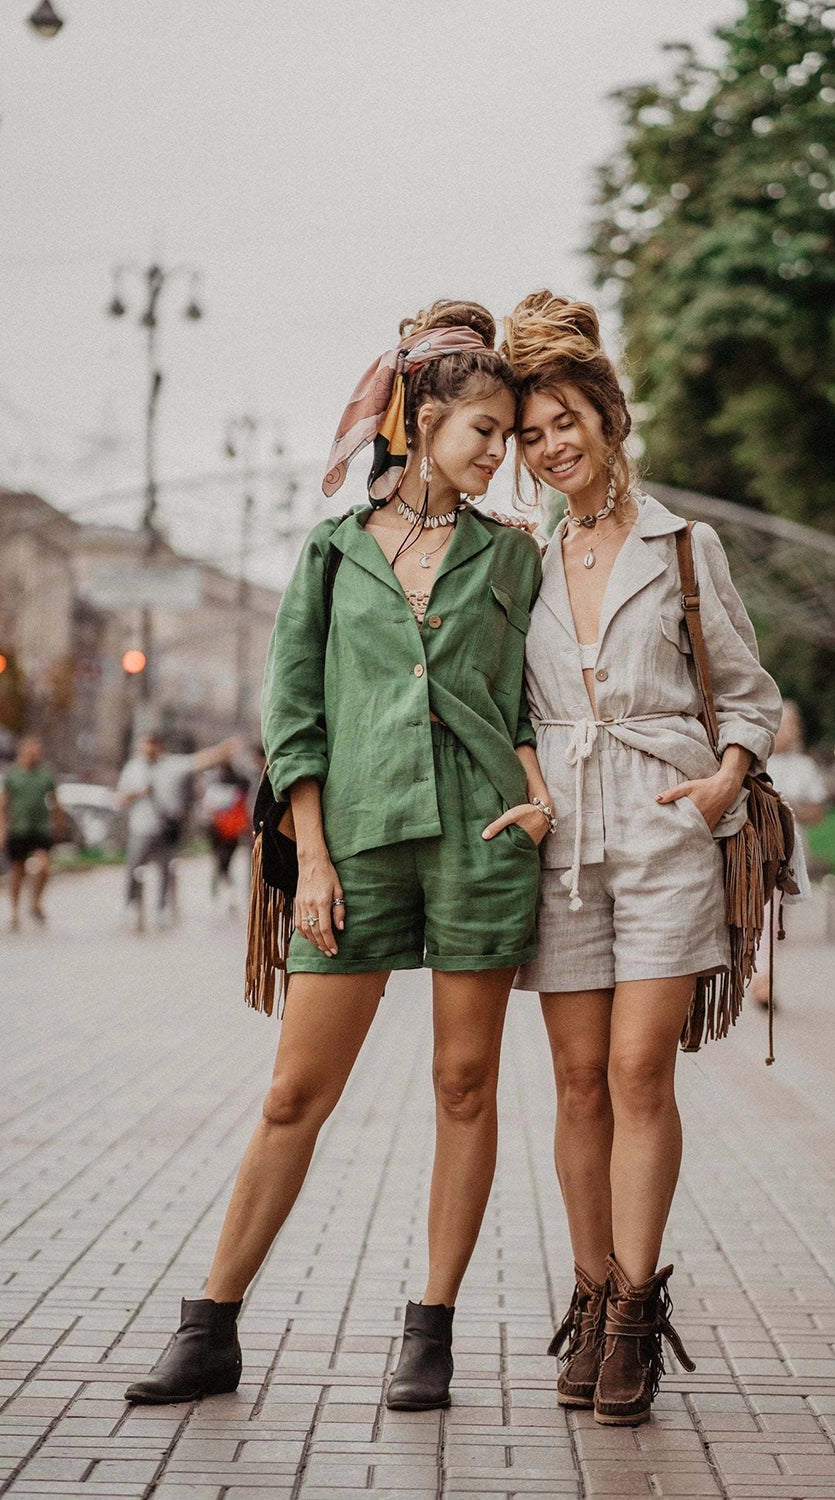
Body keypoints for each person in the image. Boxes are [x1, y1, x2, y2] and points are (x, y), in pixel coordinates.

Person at [124, 299, 550, 1413]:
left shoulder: (513, 560)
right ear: (417, 422)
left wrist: (539, 797)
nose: (499, 453)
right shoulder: (330, 551)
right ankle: (211, 1325)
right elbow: (295, 717)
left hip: (479, 840)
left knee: (465, 1084)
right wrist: (311, 859)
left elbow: (539, 705)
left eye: (507, 435)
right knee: (292, 1096)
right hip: (353, 848)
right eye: (483, 431)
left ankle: (431, 1328)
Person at [501, 292, 782, 1427]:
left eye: (567, 419)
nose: (551, 444)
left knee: (635, 1075)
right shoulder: (520, 558)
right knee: (573, 1083)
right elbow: (505, 701)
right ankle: (590, 1286)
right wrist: (524, 785)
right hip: (561, 838)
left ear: (610, 418)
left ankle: (633, 1315)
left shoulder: (681, 543)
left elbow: (749, 692)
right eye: (531, 434)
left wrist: (725, 777)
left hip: (668, 832)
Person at [747, 701, 826, 1008]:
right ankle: (761, 978)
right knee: (761, 914)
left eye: (794, 725)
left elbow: (818, 813)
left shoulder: (804, 766)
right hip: (755, 848)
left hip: (788, 851)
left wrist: (788, 806)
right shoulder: (755, 761)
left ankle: (763, 977)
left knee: (774, 915)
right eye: (784, 724)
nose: (790, 731)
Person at [117, 731, 241, 925]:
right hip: (141, 827)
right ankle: (130, 904)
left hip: (166, 827)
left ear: (159, 747)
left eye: (151, 745)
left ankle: (161, 908)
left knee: (166, 869)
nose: (146, 750)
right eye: (143, 745)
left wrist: (223, 750)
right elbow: (120, 798)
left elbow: (199, 761)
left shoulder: (171, 765)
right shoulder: (133, 768)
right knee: (134, 866)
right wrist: (139, 793)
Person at [0, 736, 62, 930]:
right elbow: (3, 805)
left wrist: (59, 825)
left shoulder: (45, 775)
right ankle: (15, 911)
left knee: (44, 867)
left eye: (37, 751)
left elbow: (55, 802)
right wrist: (2, 829)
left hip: (40, 829)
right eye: (31, 751)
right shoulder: (12, 775)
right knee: (18, 872)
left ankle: (36, 901)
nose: (35, 755)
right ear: (22, 752)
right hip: (18, 829)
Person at [202, 758, 252, 912]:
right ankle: (225, 891)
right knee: (224, 861)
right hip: (230, 829)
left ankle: (224, 891)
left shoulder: (216, 784)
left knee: (221, 861)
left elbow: (209, 805)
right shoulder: (240, 783)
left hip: (221, 828)